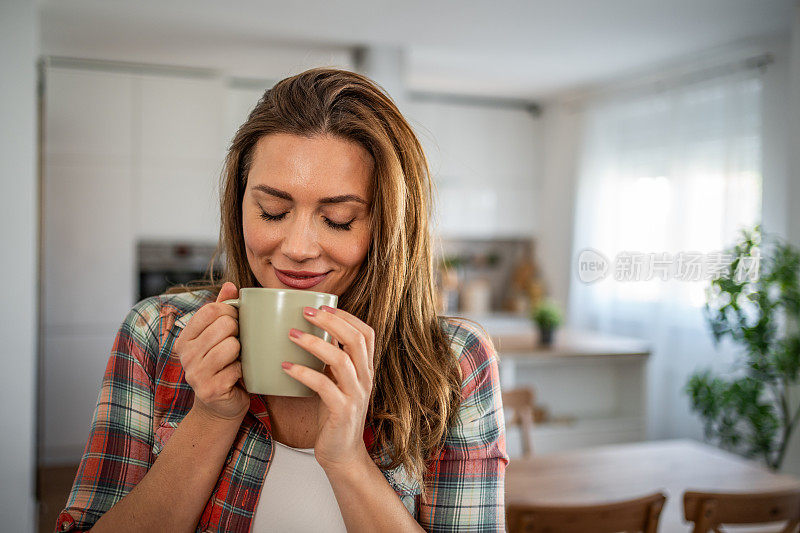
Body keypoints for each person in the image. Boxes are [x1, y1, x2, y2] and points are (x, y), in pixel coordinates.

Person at [56, 67, 508, 532]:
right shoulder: (157, 334)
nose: (297, 247)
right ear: (240, 204)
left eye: (337, 219)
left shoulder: (454, 362)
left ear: (390, 229)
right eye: (272, 211)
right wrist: (211, 416)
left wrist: (349, 461)